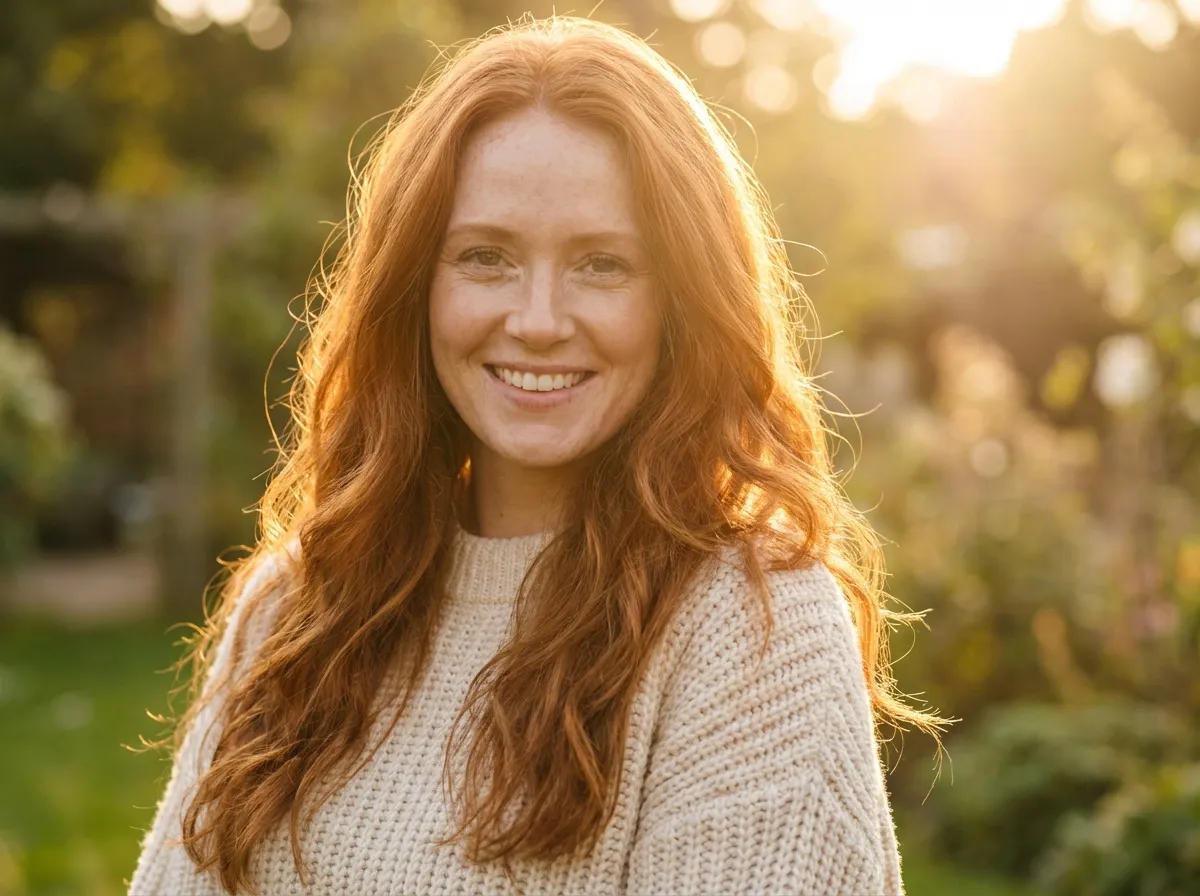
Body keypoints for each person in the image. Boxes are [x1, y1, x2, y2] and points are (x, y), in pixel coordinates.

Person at [128, 15, 944, 896]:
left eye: (601, 264)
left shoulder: (752, 629)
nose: (540, 319)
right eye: (486, 257)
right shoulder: (294, 605)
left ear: (683, 301)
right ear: (414, 287)